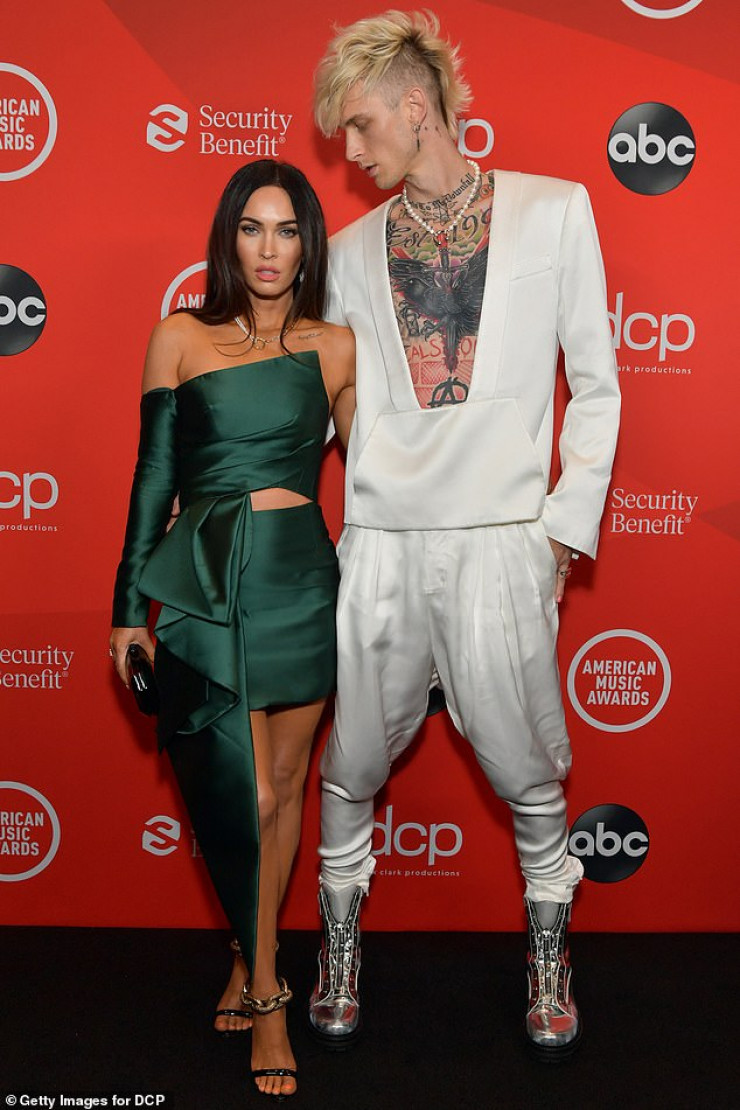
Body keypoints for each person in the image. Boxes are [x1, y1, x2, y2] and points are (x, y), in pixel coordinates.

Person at [307, 11, 620, 1060]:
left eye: (360, 125)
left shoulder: (554, 211)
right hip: (383, 539)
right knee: (351, 759)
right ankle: (337, 946)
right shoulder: (348, 251)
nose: (350, 150)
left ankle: (549, 953)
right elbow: (328, 407)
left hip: (502, 539)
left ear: (414, 106)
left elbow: (596, 386)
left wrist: (557, 534)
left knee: (527, 765)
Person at [110, 158, 355, 1100]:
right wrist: (129, 610)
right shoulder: (180, 336)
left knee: (286, 790)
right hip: (211, 584)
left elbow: (383, 475)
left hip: (301, 581)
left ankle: (252, 957)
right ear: (228, 238)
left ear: (308, 244)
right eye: (252, 228)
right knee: (246, 798)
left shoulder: (336, 348)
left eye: (286, 230)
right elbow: (153, 478)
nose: (268, 248)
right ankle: (270, 999)